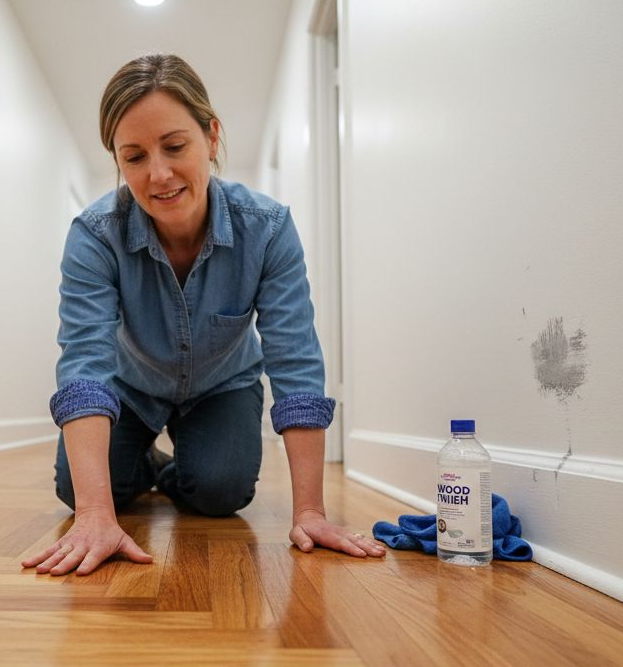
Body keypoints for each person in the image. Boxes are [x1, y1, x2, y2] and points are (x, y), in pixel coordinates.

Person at [23, 54, 386, 576]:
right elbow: (84, 362)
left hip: (223, 383)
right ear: (118, 161)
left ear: (211, 137)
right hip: (130, 386)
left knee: (221, 492)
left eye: (175, 147)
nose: (159, 174)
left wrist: (310, 511)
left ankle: (180, 468)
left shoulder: (268, 229)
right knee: (76, 490)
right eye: (134, 157)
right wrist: (95, 514)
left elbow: (294, 358)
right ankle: (146, 462)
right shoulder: (94, 235)